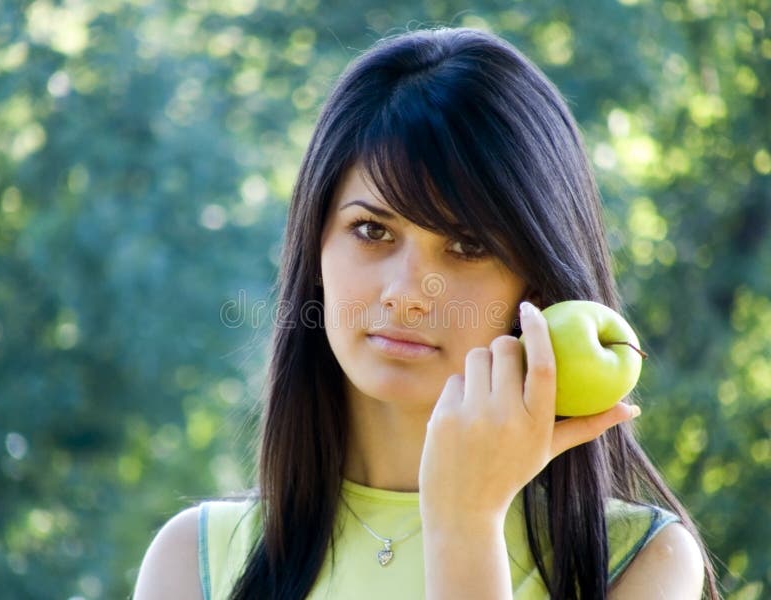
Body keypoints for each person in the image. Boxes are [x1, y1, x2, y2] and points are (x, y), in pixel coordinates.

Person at [133, 27, 719, 599]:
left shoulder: (637, 561)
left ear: (536, 289)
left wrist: (466, 524)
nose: (406, 292)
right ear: (315, 248)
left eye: (467, 247)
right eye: (371, 230)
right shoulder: (196, 562)